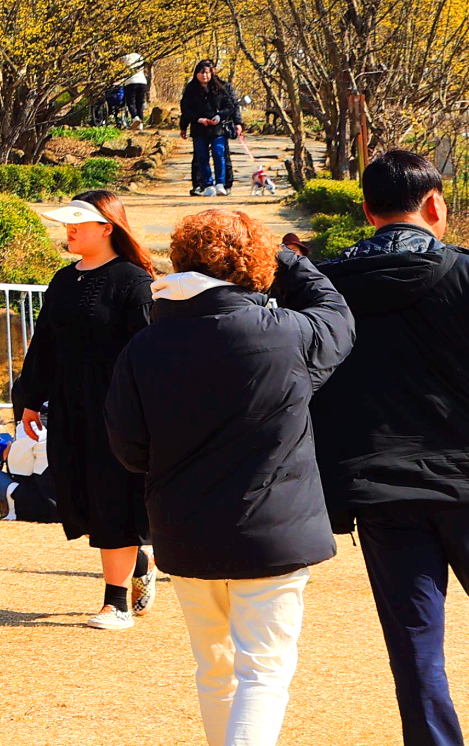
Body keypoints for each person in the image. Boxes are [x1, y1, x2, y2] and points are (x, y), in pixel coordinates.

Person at [108, 207, 353, 746]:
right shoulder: (286, 335)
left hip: (184, 531)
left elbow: (129, 449)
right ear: (254, 265)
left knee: (214, 669)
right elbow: (336, 316)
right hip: (272, 532)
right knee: (263, 672)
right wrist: (288, 259)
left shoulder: (142, 348)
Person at [310, 148, 469, 746]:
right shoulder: (463, 273)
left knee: (416, 651)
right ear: (433, 204)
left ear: (368, 212)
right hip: (464, 476)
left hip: (377, 488)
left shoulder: (325, 285)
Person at [12, 192, 158, 629]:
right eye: (67, 222)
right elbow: (45, 346)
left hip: (118, 408)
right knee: (81, 497)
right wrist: (29, 400)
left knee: (113, 498)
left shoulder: (134, 282)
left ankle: (117, 604)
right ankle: (139, 563)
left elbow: (148, 352)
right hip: (69, 405)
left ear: (108, 227)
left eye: (80, 221)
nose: (69, 229)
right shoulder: (62, 280)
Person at [182, 60, 245, 197]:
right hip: (199, 128)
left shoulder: (221, 88)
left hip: (218, 128)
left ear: (212, 73)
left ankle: (221, 184)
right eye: (201, 72)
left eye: (207, 72)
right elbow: (186, 109)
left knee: (219, 153)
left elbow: (231, 105)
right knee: (201, 157)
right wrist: (191, 123)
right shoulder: (191, 89)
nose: (204, 76)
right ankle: (206, 184)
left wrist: (223, 118)